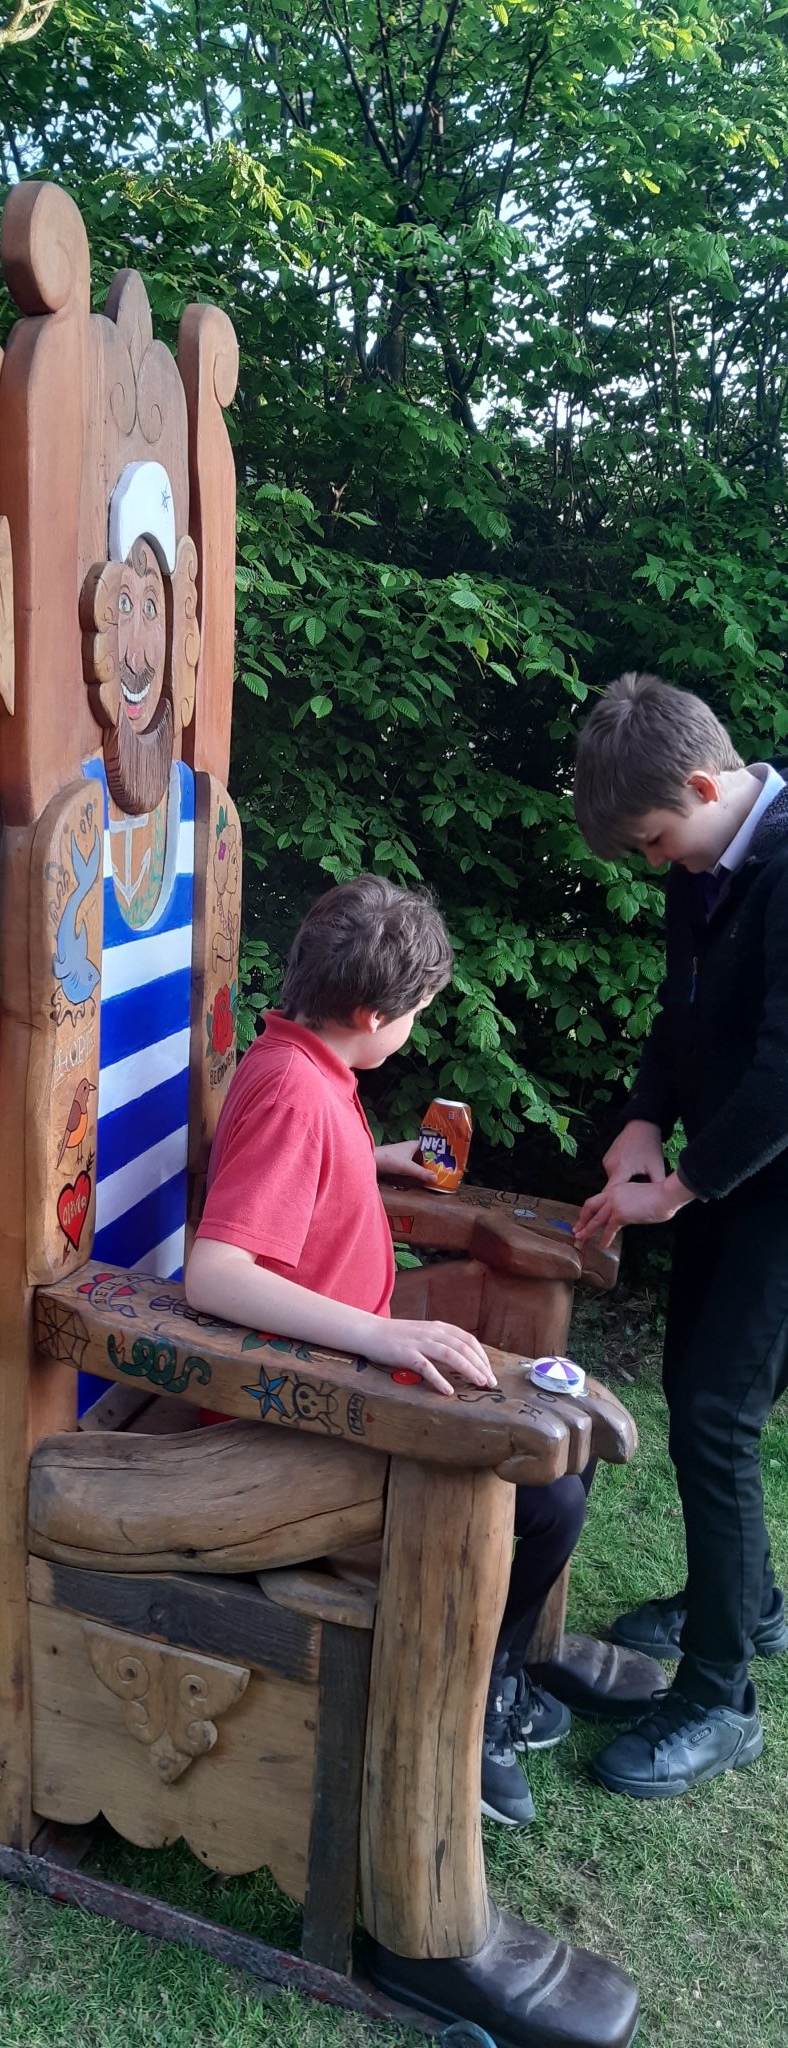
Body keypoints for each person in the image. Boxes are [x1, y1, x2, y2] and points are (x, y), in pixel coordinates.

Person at [186, 873, 588, 1828]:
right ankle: (471, 1706)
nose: (413, 1031)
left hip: (342, 1382)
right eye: (413, 1015)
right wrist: (384, 1332)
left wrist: (377, 1160)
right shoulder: (296, 1092)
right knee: (547, 1497)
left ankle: (494, 1674)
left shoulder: (306, 1064)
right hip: (297, 1413)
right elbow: (216, 1274)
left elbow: (287, 1168)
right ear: (371, 1013)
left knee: (559, 1452)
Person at [572, 671, 788, 1802]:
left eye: (659, 839)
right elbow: (680, 1011)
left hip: (773, 1187)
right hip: (729, 1179)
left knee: (714, 1416)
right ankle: (740, 1601)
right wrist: (646, 1123)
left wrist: (686, 1182)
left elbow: (782, 1073)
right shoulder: (708, 855)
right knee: (689, 1379)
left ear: (706, 786)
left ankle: (717, 1694)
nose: (661, 864)